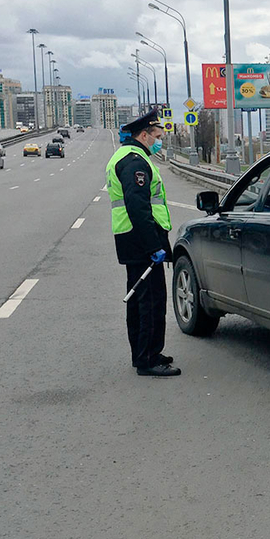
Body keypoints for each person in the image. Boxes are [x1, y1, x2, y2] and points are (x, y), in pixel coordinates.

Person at [106, 109, 180, 377]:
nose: (160, 141)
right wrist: (154, 246)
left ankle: (145, 353)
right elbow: (138, 207)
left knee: (141, 301)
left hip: (132, 239)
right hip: (141, 242)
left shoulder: (127, 157)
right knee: (150, 302)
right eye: (158, 136)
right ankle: (148, 359)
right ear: (144, 135)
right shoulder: (135, 162)